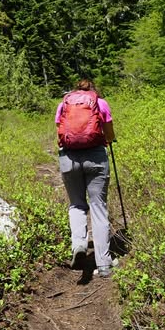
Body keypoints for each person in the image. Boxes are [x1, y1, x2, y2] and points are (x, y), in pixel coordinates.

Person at [55, 78, 116, 278]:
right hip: (95, 158)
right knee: (98, 208)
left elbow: (60, 130)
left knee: (77, 205)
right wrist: (109, 138)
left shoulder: (64, 103)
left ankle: (79, 244)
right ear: (93, 89)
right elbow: (109, 133)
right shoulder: (100, 103)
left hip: (69, 159)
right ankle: (104, 264)